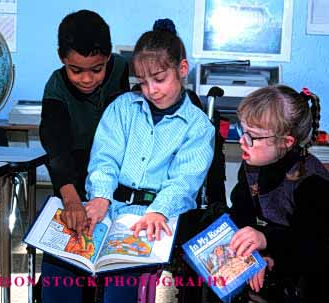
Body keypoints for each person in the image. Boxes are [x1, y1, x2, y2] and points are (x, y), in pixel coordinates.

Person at [84, 18, 215, 302]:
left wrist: (158, 211)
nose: (151, 90)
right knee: (63, 265)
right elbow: (104, 159)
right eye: (142, 82)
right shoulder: (122, 108)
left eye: (159, 79)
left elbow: (183, 181)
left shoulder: (198, 127)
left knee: (122, 274)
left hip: (158, 214)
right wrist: (101, 196)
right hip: (111, 207)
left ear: (182, 70)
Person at [227, 85, 329, 302]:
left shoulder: (315, 183)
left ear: (286, 142)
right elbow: (242, 215)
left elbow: (310, 244)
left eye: (253, 136)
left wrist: (266, 243)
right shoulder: (253, 163)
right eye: (242, 130)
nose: (242, 141)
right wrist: (258, 254)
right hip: (288, 265)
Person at [38, 9, 129, 303]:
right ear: (61, 57)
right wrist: (72, 201)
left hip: (120, 188)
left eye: (97, 69)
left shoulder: (126, 72)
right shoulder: (55, 87)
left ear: (109, 57)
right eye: (76, 70)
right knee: (64, 267)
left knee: (116, 276)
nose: (87, 79)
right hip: (72, 183)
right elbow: (56, 149)